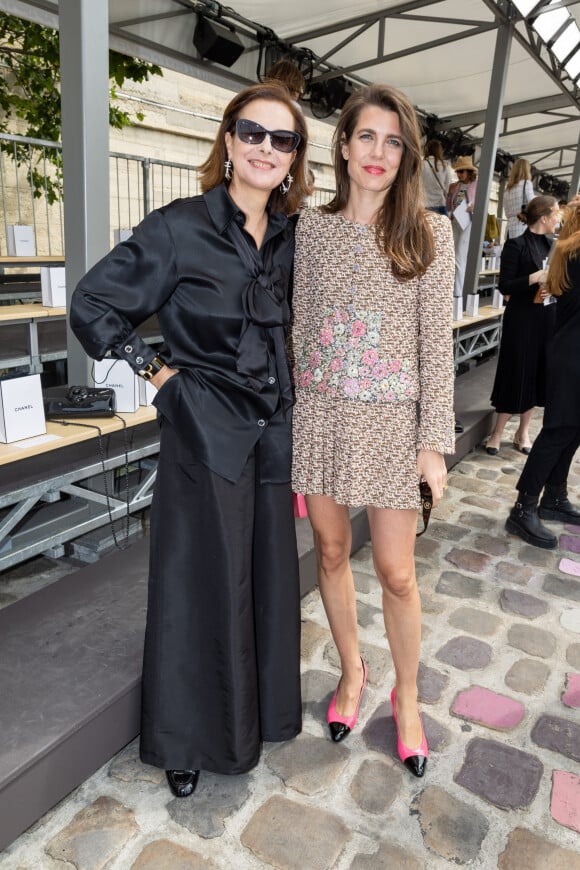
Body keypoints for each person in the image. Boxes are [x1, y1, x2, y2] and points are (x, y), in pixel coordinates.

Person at [69, 82, 310, 798]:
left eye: (283, 139)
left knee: (265, 576)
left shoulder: (297, 238)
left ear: (295, 158)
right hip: (205, 425)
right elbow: (93, 302)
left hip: (274, 432)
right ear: (229, 142)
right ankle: (187, 736)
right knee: (197, 583)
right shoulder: (179, 227)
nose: (266, 147)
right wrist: (159, 374)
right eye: (253, 133)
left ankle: (260, 715)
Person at [290, 84, 455, 778]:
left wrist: (433, 443)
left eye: (393, 141)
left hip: (393, 427)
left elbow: (436, 347)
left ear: (406, 154)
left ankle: (408, 699)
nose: (379, 153)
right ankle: (352, 671)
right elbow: (292, 327)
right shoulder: (306, 229)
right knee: (329, 553)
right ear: (344, 144)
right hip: (321, 415)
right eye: (367, 137)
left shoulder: (430, 233)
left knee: (395, 572)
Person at [505, 200, 580, 548]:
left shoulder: (566, 248)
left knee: (572, 429)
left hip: (570, 350)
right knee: (557, 431)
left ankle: (554, 495)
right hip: (571, 354)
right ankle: (523, 507)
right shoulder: (573, 250)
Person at [486, 195, 560, 456]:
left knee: (537, 371)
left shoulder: (552, 246)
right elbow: (504, 286)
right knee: (515, 369)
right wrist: (532, 278)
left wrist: (553, 286)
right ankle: (497, 432)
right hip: (521, 318)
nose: (558, 219)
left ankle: (523, 432)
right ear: (544, 217)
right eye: (555, 214)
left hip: (546, 317)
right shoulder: (515, 245)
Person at [446, 155, 478, 296]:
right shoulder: (456, 186)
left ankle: (458, 294)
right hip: (455, 221)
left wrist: (474, 207)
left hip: (468, 223)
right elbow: (449, 206)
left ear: (469, 172)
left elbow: (481, 205)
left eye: (461, 172)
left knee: (459, 257)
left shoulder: (477, 185)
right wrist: (449, 194)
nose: (458, 174)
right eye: (457, 172)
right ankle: (454, 292)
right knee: (452, 256)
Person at [503, 158, 534, 240]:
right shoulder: (526, 184)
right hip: (522, 228)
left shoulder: (508, 188)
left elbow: (506, 213)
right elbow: (533, 204)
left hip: (509, 229)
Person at [421, 139, 453, 215]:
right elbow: (447, 187)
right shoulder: (445, 166)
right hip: (441, 204)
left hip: (425, 205)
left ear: (427, 150)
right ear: (439, 151)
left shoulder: (421, 165)